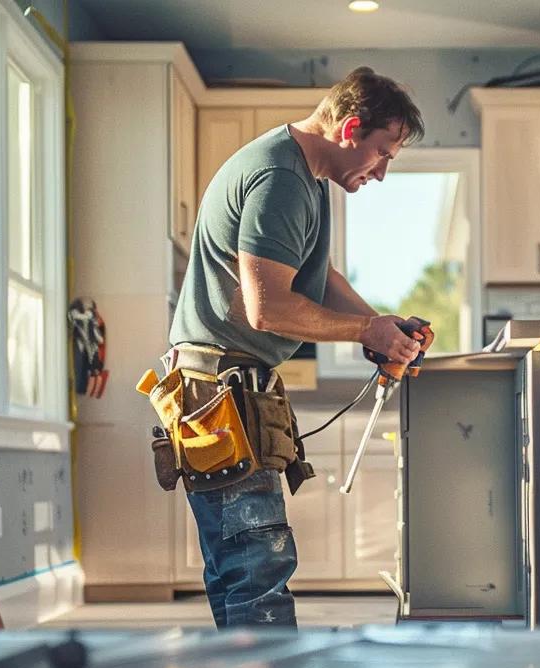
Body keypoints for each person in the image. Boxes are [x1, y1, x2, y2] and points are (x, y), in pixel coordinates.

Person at [165, 67, 425, 629]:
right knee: (256, 567)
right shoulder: (279, 177)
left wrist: (381, 324)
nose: (380, 174)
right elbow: (269, 309)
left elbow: (316, 273)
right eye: (382, 154)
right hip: (219, 390)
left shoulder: (304, 176)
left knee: (243, 567)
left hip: (228, 386)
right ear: (350, 127)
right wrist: (365, 333)